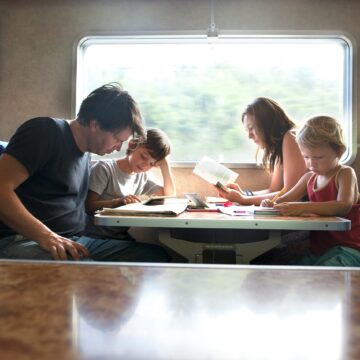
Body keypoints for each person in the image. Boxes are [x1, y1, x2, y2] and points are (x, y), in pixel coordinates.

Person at [0, 82, 170, 262]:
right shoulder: (44, 131)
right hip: (25, 240)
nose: (119, 147)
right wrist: (47, 236)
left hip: (75, 240)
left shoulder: (86, 153)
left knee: (155, 257)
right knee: (87, 270)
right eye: (117, 139)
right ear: (95, 124)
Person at [261, 115, 360, 266]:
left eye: (318, 157)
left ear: (338, 152)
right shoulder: (309, 178)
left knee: (324, 271)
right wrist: (271, 204)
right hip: (319, 249)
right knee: (292, 269)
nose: (311, 164)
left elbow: (343, 206)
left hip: (348, 248)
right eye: (306, 157)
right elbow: (285, 199)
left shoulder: (345, 174)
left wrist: (302, 207)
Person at [85, 127, 176, 239]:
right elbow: (88, 206)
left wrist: (165, 165)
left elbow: (169, 196)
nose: (145, 165)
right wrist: (118, 202)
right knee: (159, 255)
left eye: (152, 164)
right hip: (96, 236)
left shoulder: (142, 176)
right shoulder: (105, 168)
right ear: (132, 145)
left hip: (119, 236)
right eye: (143, 157)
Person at [216, 97, 307, 205]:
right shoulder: (280, 146)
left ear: (267, 124)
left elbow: (291, 195)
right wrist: (244, 194)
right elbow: (273, 190)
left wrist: (242, 199)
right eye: (247, 130)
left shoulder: (290, 138)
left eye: (252, 128)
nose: (249, 136)